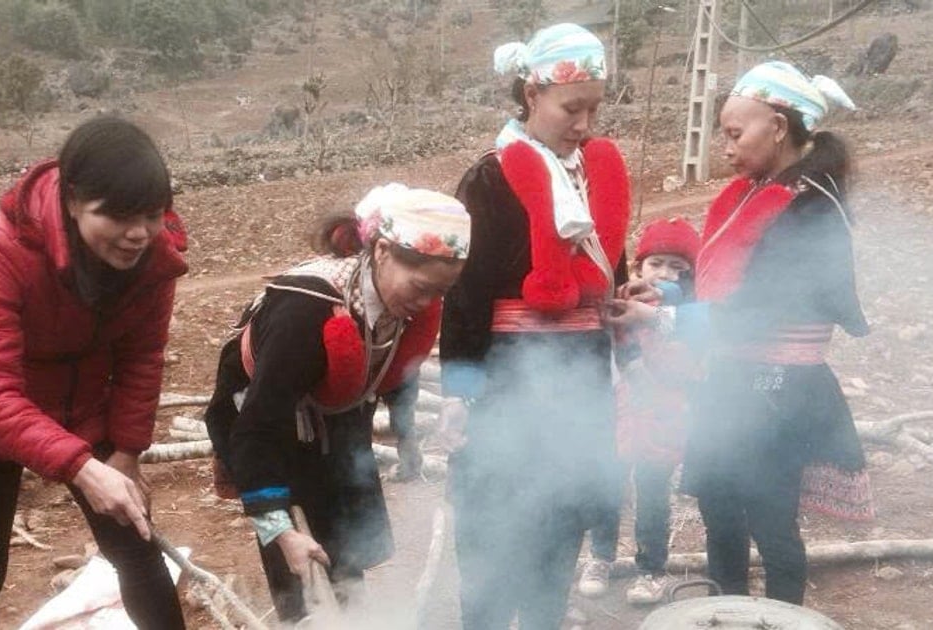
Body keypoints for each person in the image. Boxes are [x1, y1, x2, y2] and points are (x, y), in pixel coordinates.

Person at [0, 116, 189, 629]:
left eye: (152, 215)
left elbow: (141, 355)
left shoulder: (155, 259)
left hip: (80, 408)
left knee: (137, 551)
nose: (138, 234)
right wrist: (84, 469)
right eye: (119, 216)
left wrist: (126, 452)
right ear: (71, 202)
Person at [202, 183, 471, 624]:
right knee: (300, 560)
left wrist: (410, 441)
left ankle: (351, 609)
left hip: (337, 408)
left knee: (346, 540)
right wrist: (279, 530)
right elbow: (255, 431)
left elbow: (392, 370)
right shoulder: (306, 315)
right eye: (421, 287)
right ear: (382, 251)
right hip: (264, 420)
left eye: (439, 294)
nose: (426, 304)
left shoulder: (400, 306)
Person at [439, 23, 631, 629]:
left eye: (594, 109)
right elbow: (465, 296)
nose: (584, 123)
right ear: (531, 96)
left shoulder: (595, 173)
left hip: (580, 378)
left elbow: (607, 271)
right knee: (496, 519)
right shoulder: (491, 179)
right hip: (509, 378)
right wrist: (462, 393)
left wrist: (627, 305)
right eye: (572, 107)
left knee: (562, 512)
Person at [662, 61, 873, 605]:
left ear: (778, 127)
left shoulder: (809, 208)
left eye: (735, 133)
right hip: (733, 377)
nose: (725, 147)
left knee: (771, 520)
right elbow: (722, 287)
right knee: (719, 508)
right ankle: (724, 610)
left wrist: (667, 320)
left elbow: (763, 308)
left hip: (777, 387)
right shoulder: (752, 193)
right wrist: (666, 297)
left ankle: (782, 618)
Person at [582, 217, 701, 606]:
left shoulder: (690, 316)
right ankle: (600, 556)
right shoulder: (620, 300)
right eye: (656, 264)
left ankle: (651, 568)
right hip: (618, 411)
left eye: (677, 268)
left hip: (664, 415)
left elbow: (688, 366)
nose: (664, 274)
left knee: (652, 493)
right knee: (606, 486)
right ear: (637, 267)